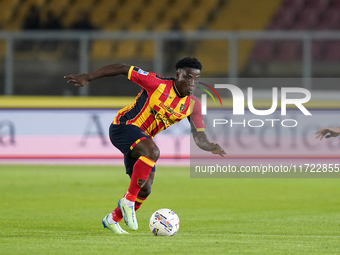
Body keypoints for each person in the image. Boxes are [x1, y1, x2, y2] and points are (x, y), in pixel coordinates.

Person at [64, 57, 226, 234]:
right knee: (153, 151)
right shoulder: (156, 83)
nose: (193, 83)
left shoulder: (193, 105)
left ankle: (112, 219)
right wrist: (88, 76)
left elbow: (198, 136)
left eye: (196, 78)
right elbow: (122, 68)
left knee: (145, 189)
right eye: (188, 77)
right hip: (123, 127)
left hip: (142, 140)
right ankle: (127, 201)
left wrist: (210, 146)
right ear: (177, 75)